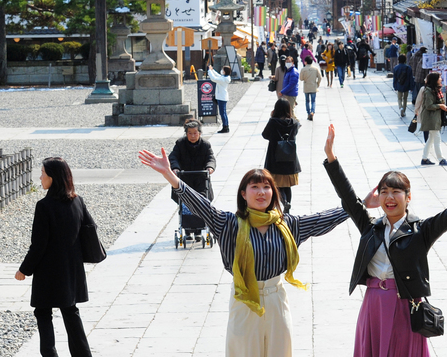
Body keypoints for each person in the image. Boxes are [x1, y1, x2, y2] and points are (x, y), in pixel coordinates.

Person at [138, 149, 349, 357]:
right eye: (254, 187)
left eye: (266, 187)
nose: (261, 192)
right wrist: (170, 176)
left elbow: (321, 220)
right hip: (244, 299)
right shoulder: (229, 224)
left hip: (277, 300)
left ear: (273, 193)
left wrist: (356, 207)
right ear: (243, 193)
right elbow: (201, 206)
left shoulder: (286, 225)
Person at [322, 124, 447, 357]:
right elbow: (348, 197)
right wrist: (331, 158)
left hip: (405, 306)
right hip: (373, 304)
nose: (390, 197)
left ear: (408, 197)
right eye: (384, 191)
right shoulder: (370, 227)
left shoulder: (420, 230)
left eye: (396, 192)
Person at [16, 157, 95, 357]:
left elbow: (39, 245)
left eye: (43, 173)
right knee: (70, 312)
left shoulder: (44, 206)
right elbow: (89, 229)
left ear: (53, 177)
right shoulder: (78, 201)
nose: (40, 177)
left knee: (43, 313)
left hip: (48, 271)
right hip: (71, 269)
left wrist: (24, 270)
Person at [262, 98, 302, 213]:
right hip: (289, 158)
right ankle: (287, 207)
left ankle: (284, 202)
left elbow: (265, 135)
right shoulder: (294, 123)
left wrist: (272, 118)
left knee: (277, 185)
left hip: (275, 159)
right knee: (287, 186)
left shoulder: (273, 122)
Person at [169, 119, 216, 199]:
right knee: (184, 203)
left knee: (202, 202)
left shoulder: (205, 145)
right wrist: (175, 168)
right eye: (190, 133)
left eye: (195, 133)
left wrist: (210, 167)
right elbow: (173, 157)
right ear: (186, 134)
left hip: (201, 178)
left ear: (200, 133)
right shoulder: (180, 143)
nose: (193, 136)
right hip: (184, 178)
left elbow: (210, 158)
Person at [419, 72, 447, 166]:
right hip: (430, 118)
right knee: (437, 138)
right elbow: (429, 105)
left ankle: (424, 158)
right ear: (435, 80)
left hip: (434, 118)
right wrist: (440, 105)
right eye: (439, 78)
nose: (441, 79)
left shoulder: (435, 90)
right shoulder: (428, 91)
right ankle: (441, 159)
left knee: (431, 139)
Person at [209, 65, 232, 134]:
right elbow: (218, 76)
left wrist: (209, 71)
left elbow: (214, 78)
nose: (221, 70)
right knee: (223, 113)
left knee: (223, 113)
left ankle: (225, 127)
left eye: (223, 69)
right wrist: (213, 70)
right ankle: (226, 126)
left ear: (224, 71)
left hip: (221, 97)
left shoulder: (223, 79)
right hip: (222, 96)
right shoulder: (225, 78)